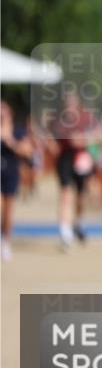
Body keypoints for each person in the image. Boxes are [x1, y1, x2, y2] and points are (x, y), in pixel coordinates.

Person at [45, 93, 98, 249]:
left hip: (81, 159)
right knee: (65, 194)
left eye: (72, 102)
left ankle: (78, 223)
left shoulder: (86, 117)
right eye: (67, 102)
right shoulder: (57, 119)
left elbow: (96, 136)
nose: (70, 105)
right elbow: (49, 135)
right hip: (65, 159)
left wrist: (84, 140)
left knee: (81, 197)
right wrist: (53, 146)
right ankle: (65, 232)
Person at [1, 100, 34, 261]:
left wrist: (10, 142)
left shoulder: (17, 131)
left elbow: (28, 151)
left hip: (11, 173)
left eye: (4, 111)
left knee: (8, 212)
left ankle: (6, 242)